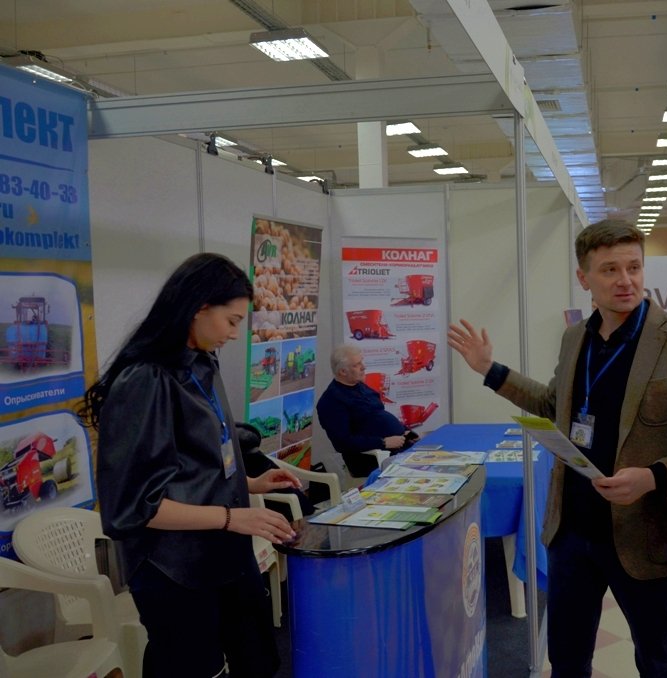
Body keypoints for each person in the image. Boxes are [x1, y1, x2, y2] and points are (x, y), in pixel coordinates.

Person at [447, 219, 667, 677]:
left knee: (657, 657)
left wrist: (653, 477)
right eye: (610, 270)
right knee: (568, 656)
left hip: (643, 530)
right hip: (573, 531)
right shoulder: (575, 337)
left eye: (634, 267)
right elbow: (552, 405)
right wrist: (491, 370)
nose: (625, 280)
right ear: (584, 278)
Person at [79, 253, 300, 678]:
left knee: (257, 658)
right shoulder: (144, 381)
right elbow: (135, 506)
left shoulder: (201, 364)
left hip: (223, 552)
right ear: (199, 307)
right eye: (231, 321)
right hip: (174, 567)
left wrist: (252, 483)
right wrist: (232, 517)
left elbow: (197, 458)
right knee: (191, 666)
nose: (234, 334)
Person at [316, 344, 418, 477]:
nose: (363, 367)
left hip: (397, 446)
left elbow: (379, 415)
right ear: (342, 372)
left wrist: (405, 430)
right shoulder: (332, 401)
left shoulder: (360, 386)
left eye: (361, 362)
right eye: (357, 365)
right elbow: (343, 442)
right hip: (371, 459)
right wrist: (383, 442)